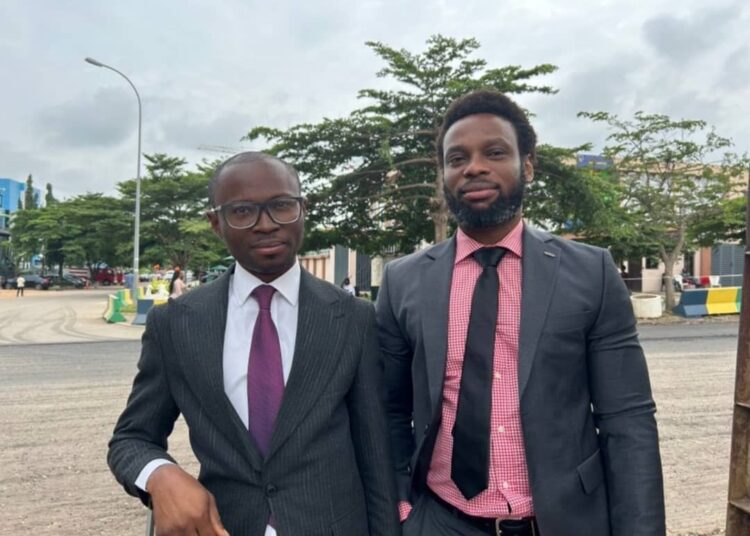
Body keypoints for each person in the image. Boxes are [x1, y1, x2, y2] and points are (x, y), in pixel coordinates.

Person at [376, 90, 665, 536]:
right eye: (457, 158)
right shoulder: (403, 282)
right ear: (444, 175)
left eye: (494, 152)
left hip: (564, 522)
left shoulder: (591, 273)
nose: (473, 167)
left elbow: (627, 419)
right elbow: (390, 411)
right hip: (440, 522)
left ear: (526, 165)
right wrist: (402, 508)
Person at [108, 152, 399, 536]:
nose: (266, 225)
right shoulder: (176, 325)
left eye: (281, 206)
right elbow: (132, 438)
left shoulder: (352, 317)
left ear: (302, 209)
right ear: (216, 223)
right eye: (243, 211)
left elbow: (374, 453)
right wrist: (160, 474)